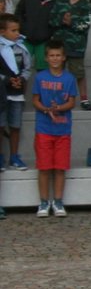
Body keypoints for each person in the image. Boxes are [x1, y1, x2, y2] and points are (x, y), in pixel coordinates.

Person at [31, 40, 76, 217]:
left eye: (58, 55)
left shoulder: (69, 78)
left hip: (63, 130)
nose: (55, 58)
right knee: (44, 167)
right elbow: (35, 99)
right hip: (43, 129)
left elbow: (72, 101)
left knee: (59, 168)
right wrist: (45, 109)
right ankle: (43, 202)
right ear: (46, 58)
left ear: (63, 57)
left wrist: (58, 109)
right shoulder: (40, 77)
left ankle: (58, 201)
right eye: (52, 56)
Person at [47, 0, 91, 104]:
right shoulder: (60, 2)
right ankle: (57, 98)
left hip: (76, 46)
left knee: (78, 73)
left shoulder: (85, 6)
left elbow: (85, 25)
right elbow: (51, 21)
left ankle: (84, 98)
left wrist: (72, 23)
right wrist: (61, 20)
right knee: (57, 72)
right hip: (60, 45)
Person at [0, 16, 32, 173]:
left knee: (15, 126)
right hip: (2, 93)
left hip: (17, 93)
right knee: (0, 125)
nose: (17, 33)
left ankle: (14, 156)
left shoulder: (22, 48)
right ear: (2, 31)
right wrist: (7, 80)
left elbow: (27, 68)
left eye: (18, 30)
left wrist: (21, 79)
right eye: (13, 31)